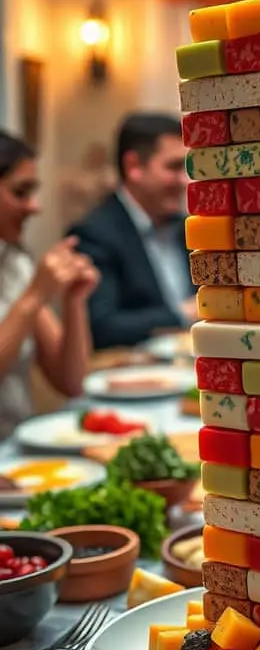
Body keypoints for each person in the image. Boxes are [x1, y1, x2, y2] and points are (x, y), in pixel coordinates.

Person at [69, 113, 197, 350]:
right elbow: (101, 326)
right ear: (134, 166)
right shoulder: (93, 234)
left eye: (186, 168)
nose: (185, 181)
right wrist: (183, 313)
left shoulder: (188, 227)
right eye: (173, 167)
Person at [0, 131, 98, 439]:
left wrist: (74, 300)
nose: (35, 207)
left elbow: (71, 382)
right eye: (21, 192)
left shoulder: (13, 263)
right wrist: (35, 296)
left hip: (16, 453)